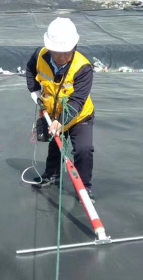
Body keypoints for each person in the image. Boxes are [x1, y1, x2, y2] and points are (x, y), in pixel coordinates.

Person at [26, 17, 96, 198]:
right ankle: (52, 175)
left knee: (83, 149)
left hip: (80, 116)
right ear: (49, 48)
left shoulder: (83, 67)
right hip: (53, 112)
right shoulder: (39, 55)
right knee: (55, 145)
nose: (62, 57)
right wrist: (34, 91)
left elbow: (78, 101)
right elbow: (29, 70)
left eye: (67, 52)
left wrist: (61, 121)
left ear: (74, 46)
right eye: (57, 52)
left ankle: (84, 188)